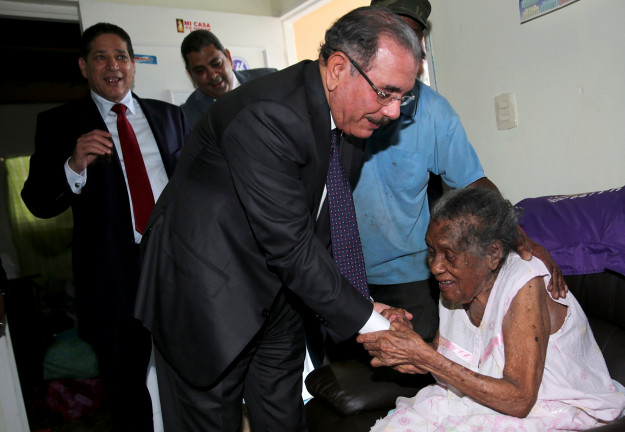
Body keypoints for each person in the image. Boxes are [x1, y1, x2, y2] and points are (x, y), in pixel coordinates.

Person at [134, 7, 422, 432]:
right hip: (204, 293)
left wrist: (364, 304)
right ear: (338, 69)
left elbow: (327, 223)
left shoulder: (353, 119)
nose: (394, 112)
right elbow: (291, 246)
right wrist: (372, 324)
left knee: (284, 417)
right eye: (386, 92)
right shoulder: (268, 113)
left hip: (278, 292)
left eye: (404, 97)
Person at [355, 0, 565, 341]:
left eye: (413, 35)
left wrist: (519, 237)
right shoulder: (341, 100)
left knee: (419, 365)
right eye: (393, 32)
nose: (405, 44)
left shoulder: (432, 111)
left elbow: (473, 183)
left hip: (409, 278)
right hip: (337, 275)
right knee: (340, 371)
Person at [21, 23, 189, 432]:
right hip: (113, 285)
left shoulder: (169, 116)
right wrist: (73, 166)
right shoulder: (59, 123)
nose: (113, 66)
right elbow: (38, 202)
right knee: (130, 397)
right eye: (101, 57)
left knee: (192, 381)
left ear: (132, 64)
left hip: (177, 271)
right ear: (84, 66)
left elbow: (195, 187)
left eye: (121, 57)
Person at [359, 188, 625, 431]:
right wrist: (405, 346)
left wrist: (424, 356)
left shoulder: (524, 282)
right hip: (479, 401)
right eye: (432, 251)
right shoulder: (456, 284)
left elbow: (520, 400)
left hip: (550, 408)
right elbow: (442, 356)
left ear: (493, 254)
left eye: (449, 255)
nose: (436, 267)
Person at [180, 29, 277, 125]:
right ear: (190, 74)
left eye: (216, 64)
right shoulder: (187, 116)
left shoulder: (270, 79)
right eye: (200, 71)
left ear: (229, 58)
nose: (213, 75)